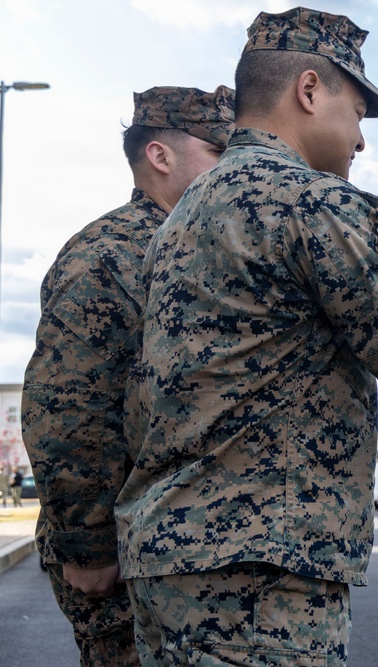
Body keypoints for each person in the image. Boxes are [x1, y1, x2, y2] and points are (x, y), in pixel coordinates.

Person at [114, 8, 378, 665]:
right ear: (309, 90)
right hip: (260, 571)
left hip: (168, 560)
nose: (362, 140)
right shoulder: (313, 204)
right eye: (359, 112)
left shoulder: (180, 220)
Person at [21, 85, 235, 667]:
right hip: (120, 558)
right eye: (219, 153)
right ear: (160, 156)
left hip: (185, 548)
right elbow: (67, 408)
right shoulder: (108, 254)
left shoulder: (198, 245)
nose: (235, 168)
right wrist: (87, 546)